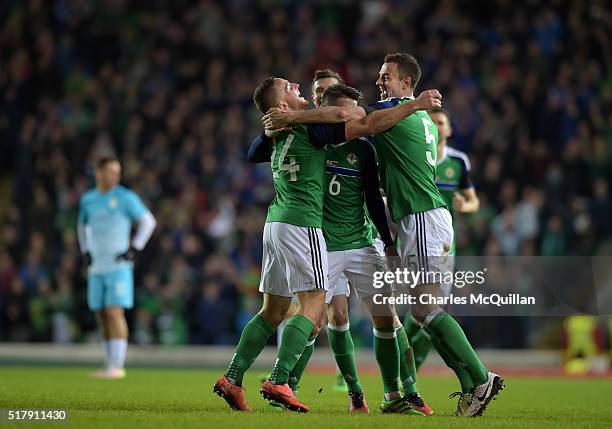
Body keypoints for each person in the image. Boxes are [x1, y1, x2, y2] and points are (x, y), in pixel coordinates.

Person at [262, 53, 503, 417]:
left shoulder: (401, 111)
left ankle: (480, 378)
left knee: (423, 308)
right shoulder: (418, 116)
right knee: (421, 312)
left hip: (421, 217)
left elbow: (362, 119)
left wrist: (292, 116)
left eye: (386, 76)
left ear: (407, 82)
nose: (379, 82)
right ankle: (471, 385)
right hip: (417, 219)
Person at [214, 75, 441, 413]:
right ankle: (283, 380)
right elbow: (343, 119)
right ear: (281, 106)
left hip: (288, 224)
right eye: (295, 90)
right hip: (307, 227)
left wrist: (285, 119)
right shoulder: (316, 132)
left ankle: (233, 377)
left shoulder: (293, 130)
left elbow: (262, 148)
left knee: (276, 310)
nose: (304, 92)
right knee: (315, 309)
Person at [403, 107, 482, 414]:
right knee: (420, 314)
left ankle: (410, 382)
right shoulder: (416, 156)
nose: (436, 126)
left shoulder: (457, 161)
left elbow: (474, 200)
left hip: (441, 244)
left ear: (448, 130)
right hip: (408, 240)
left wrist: (467, 204)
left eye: (441, 123)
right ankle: (406, 382)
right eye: (432, 122)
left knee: (425, 313)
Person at [77, 157, 156, 379]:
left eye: (117, 172)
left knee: (114, 312)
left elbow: (149, 221)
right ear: (98, 172)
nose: (115, 176)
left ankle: (118, 366)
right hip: (96, 267)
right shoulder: (88, 199)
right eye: (110, 171)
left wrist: (134, 248)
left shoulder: (125, 197)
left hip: (118, 265)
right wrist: (85, 250)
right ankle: (109, 363)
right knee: (101, 314)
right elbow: (82, 225)